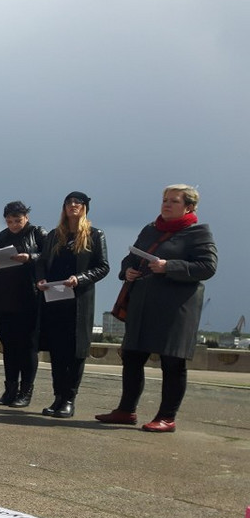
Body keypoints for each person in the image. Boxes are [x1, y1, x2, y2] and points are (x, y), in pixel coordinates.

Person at [96, 184, 216, 433]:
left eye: (173, 201)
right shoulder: (151, 230)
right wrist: (126, 271)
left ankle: (167, 417)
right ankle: (126, 410)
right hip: (142, 305)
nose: (166, 204)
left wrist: (169, 266)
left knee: (172, 363)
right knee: (131, 356)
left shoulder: (198, 233)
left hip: (175, 309)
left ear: (189, 207)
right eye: (164, 200)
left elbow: (207, 266)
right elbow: (131, 258)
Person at [36, 191, 109, 418]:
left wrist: (80, 279)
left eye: (77, 202)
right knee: (57, 352)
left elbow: (103, 267)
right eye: (68, 202)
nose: (72, 205)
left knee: (75, 353)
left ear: (85, 207)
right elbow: (41, 262)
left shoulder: (96, 235)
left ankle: (69, 399)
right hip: (55, 299)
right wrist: (40, 279)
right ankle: (58, 397)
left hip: (79, 302)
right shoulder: (55, 235)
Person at [0, 201, 48, 407]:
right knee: (9, 347)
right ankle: (10, 390)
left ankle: (25, 391)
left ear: (26, 217)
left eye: (17, 220)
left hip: (29, 297)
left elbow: (49, 257)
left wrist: (30, 257)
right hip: (3, 298)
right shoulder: (0, 237)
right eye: (9, 221)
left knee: (28, 347)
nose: (13, 225)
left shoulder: (38, 233)